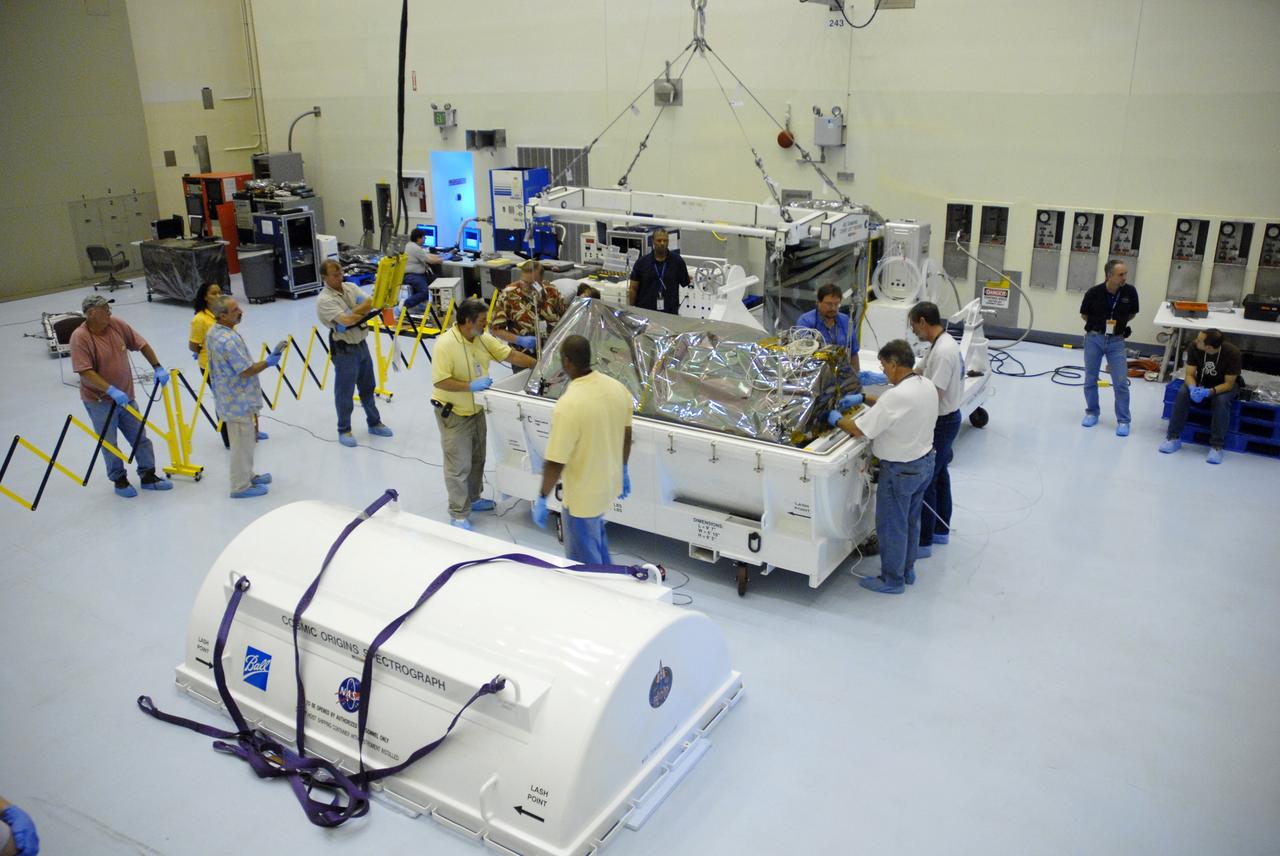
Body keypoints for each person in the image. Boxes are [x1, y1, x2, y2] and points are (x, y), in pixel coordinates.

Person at [827, 339, 938, 594]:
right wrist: (863, 398)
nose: (883, 371)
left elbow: (858, 429)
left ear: (894, 363)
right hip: (923, 464)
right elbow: (894, 409)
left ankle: (892, 580)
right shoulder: (925, 385)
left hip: (900, 472)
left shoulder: (896, 396)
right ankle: (907, 570)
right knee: (910, 522)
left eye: (884, 365)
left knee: (891, 526)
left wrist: (836, 420)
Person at [432, 298, 537, 530]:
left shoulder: (482, 338)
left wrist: (538, 366)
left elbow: (510, 355)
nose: (486, 325)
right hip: (453, 412)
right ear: (467, 321)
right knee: (458, 464)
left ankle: (474, 497)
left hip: (477, 409)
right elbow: (440, 381)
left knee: (477, 458)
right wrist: (470, 386)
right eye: (482, 321)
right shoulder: (445, 345)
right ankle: (458, 512)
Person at [530, 335, 633, 563]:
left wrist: (542, 497)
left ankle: (598, 585)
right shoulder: (617, 388)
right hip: (608, 486)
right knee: (597, 542)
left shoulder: (569, 405)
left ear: (567, 361)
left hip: (582, 499)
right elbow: (627, 434)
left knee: (584, 565)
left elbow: (555, 462)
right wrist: (624, 468)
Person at [69, 294, 174, 498]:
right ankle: (119, 480)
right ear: (91, 314)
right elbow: (84, 371)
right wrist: (110, 390)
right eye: (105, 309)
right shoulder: (80, 337)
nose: (109, 312)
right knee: (110, 443)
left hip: (126, 397)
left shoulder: (116, 325)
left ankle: (148, 476)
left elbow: (142, 344)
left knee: (140, 437)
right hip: (99, 401)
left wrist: (157, 366)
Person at [205, 297, 281, 498]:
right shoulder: (228, 340)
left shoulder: (214, 332)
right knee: (241, 445)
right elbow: (246, 370)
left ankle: (248, 475)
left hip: (230, 397)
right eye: (235, 310)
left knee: (246, 442)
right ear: (223, 316)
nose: (241, 311)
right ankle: (240, 486)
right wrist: (268, 362)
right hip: (237, 401)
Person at [315, 259, 395, 447]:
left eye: (340, 273)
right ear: (324, 277)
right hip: (344, 349)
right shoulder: (324, 300)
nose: (339, 277)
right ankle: (344, 429)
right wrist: (358, 313)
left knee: (368, 386)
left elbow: (369, 303)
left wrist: (353, 313)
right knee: (345, 391)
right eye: (334, 275)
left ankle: (374, 422)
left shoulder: (350, 287)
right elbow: (346, 320)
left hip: (361, 343)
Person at [908, 301, 965, 554]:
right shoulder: (939, 344)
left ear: (923, 321)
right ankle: (941, 530)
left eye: (913, 325)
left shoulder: (944, 352)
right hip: (946, 418)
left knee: (927, 480)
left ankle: (924, 541)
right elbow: (919, 370)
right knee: (940, 476)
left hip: (942, 422)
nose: (913, 331)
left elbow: (935, 394)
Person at [1160, 328, 1241, 464]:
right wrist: (1193, 388)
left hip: (1224, 385)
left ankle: (1217, 446)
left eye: (1199, 340)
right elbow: (1189, 374)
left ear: (1208, 347)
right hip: (1202, 381)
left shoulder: (1232, 353)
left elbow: (1229, 384)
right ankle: (1173, 437)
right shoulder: (1194, 347)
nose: (1195, 341)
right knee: (1183, 392)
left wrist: (1209, 392)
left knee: (1221, 400)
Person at [1080, 260, 1139, 435]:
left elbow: (1132, 313)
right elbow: (1084, 314)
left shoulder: (1130, 292)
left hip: (1116, 341)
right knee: (1090, 379)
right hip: (1094, 339)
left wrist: (1117, 324)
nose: (1124, 278)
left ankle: (1123, 421)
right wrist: (1100, 326)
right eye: (1121, 274)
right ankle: (1092, 412)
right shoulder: (1094, 292)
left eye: (1125, 274)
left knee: (1120, 382)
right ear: (1109, 275)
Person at [490, 260, 566, 353]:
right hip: (523, 352)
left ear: (541, 279)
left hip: (552, 348)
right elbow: (495, 330)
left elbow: (566, 318)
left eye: (532, 284)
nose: (527, 287)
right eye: (524, 282)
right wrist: (519, 340)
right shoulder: (508, 295)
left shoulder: (551, 291)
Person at [797, 283, 860, 371]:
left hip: (841, 371)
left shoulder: (845, 321)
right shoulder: (806, 322)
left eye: (836, 304)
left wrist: (856, 375)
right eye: (829, 304)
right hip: (815, 372)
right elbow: (801, 355)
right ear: (818, 302)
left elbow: (853, 353)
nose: (833, 308)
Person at [627, 228, 689, 314]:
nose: (662, 243)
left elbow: (685, 282)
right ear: (653, 241)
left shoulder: (677, 262)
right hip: (645, 312)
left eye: (665, 240)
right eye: (659, 240)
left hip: (669, 313)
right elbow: (633, 288)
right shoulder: (641, 262)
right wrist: (632, 309)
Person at [401, 227, 444, 315]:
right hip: (412, 276)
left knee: (438, 280)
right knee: (424, 292)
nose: (425, 239)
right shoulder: (415, 248)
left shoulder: (411, 245)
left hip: (419, 275)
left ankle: (438, 307)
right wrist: (441, 260)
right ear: (419, 238)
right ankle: (404, 306)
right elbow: (430, 260)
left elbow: (426, 255)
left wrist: (441, 256)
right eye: (424, 237)